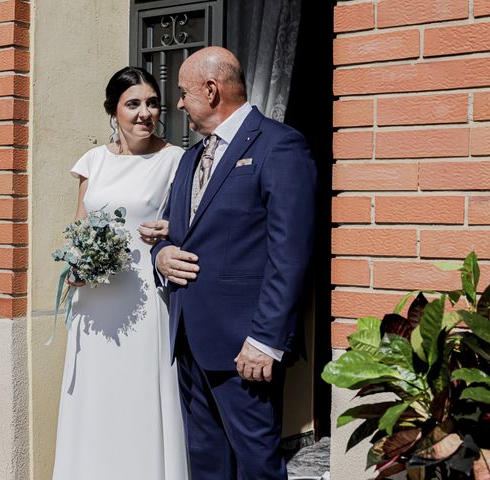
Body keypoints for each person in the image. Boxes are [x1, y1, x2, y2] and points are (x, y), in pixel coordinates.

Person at [151, 47, 317, 479]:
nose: (180, 103)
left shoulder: (279, 145)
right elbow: (172, 231)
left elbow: (291, 252)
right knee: (206, 462)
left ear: (211, 90)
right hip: (190, 339)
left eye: (184, 93)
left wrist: (265, 339)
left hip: (245, 347)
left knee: (257, 465)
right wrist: (161, 255)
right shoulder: (190, 157)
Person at [52, 67, 188, 480]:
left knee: (137, 395)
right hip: (93, 302)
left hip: (143, 299)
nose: (145, 113)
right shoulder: (92, 161)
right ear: (113, 110)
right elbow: (79, 224)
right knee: (96, 396)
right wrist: (75, 266)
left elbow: (189, 226)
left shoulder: (176, 161)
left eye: (152, 103)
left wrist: (171, 230)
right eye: (133, 104)